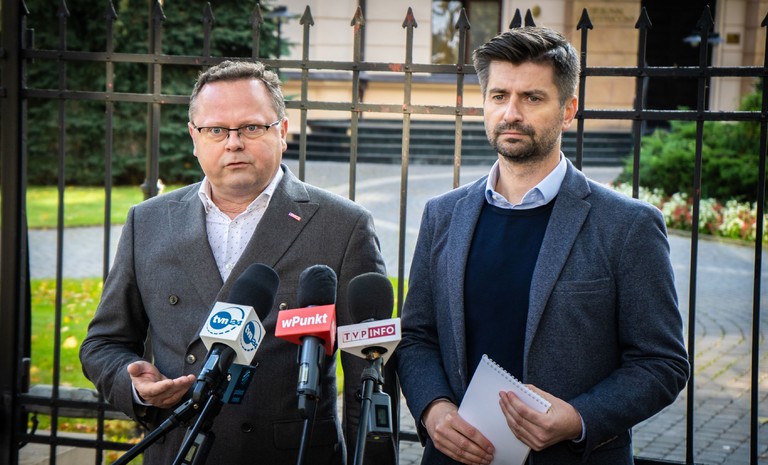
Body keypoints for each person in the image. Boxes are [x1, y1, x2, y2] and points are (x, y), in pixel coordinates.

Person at [395, 27, 689, 465]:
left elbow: (662, 362)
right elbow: (417, 337)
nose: (511, 113)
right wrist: (434, 408)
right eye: (499, 96)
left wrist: (578, 418)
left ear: (568, 110)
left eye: (532, 98)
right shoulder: (443, 215)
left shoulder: (627, 226)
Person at [80, 60, 397, 465]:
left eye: (251, 127)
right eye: (216, 130)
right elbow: (103, 343)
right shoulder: (149, 221)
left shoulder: (343, 226)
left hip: (290, 456)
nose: (233, 143)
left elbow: (368, 375)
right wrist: (135, 385)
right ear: (194, 137)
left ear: (282, 131)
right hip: (179, 449)